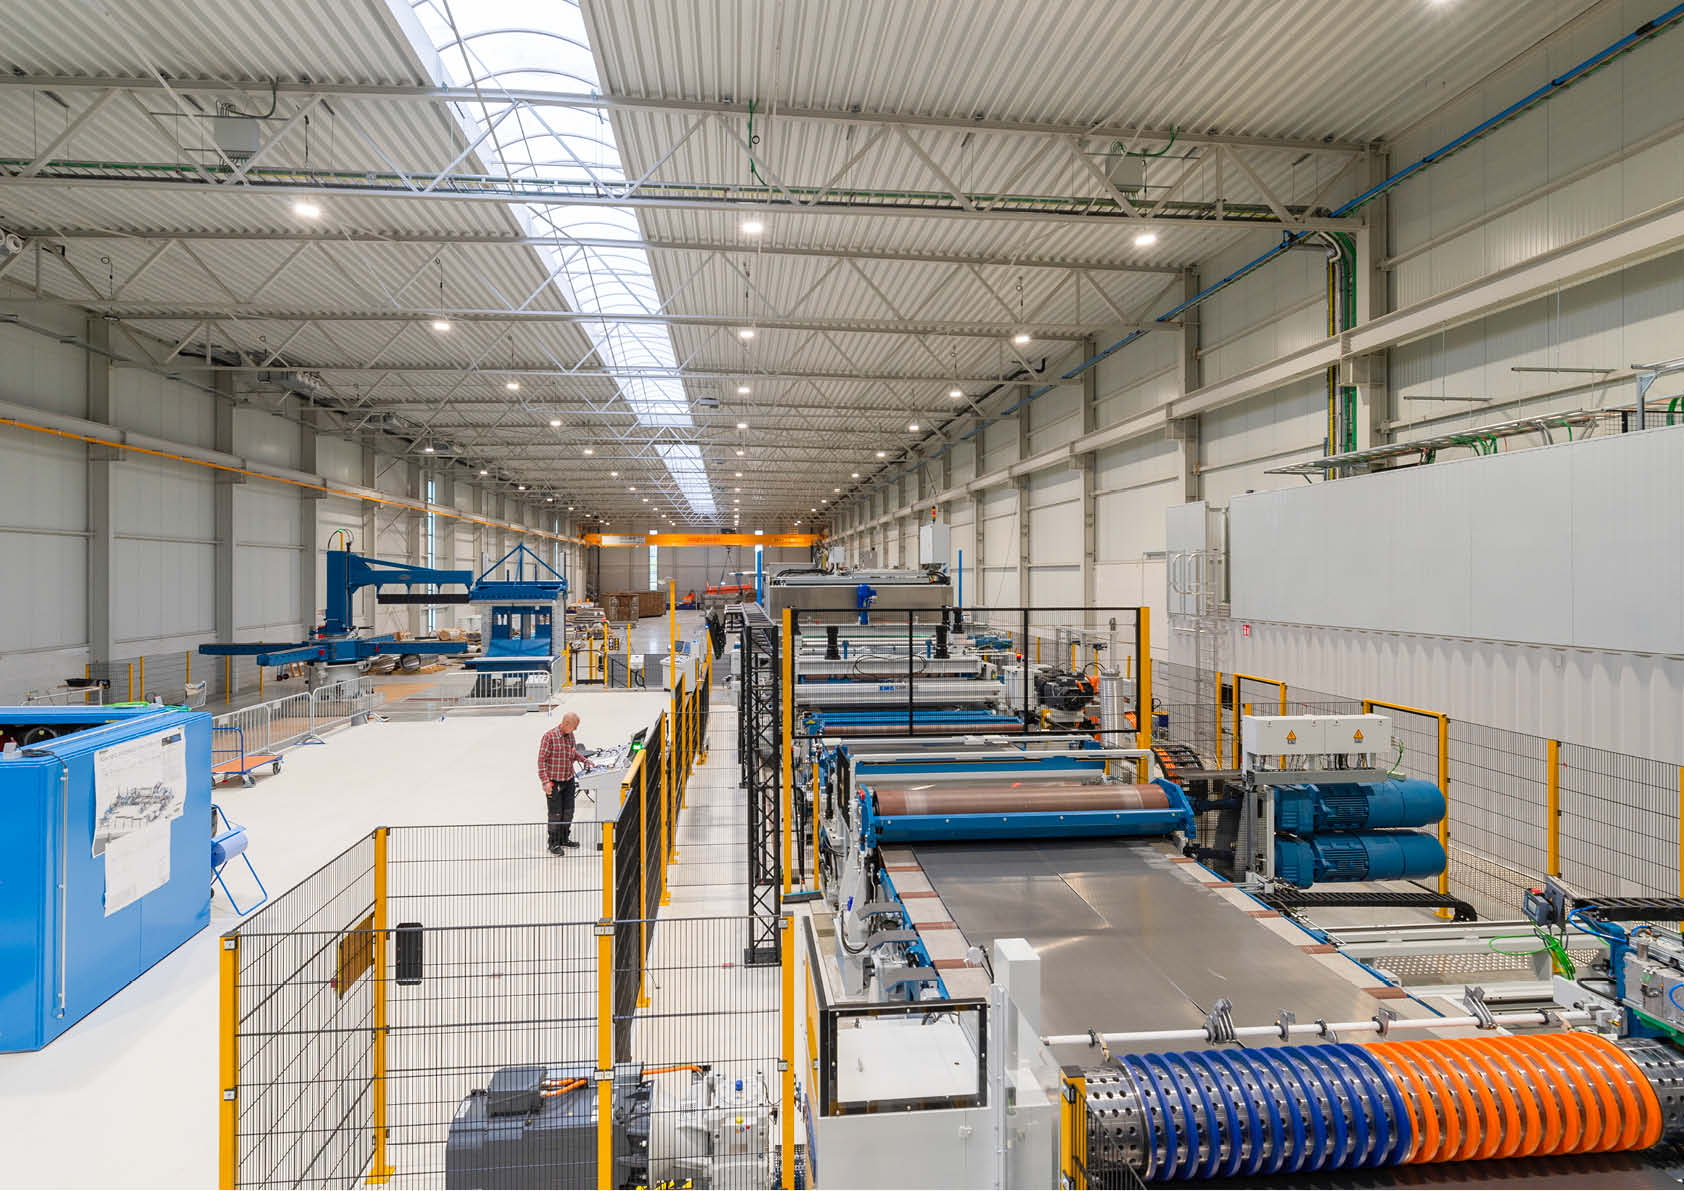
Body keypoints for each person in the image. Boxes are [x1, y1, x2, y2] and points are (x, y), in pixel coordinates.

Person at [537, 711, 592, 852]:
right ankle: (553, 843)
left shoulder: (570, 735)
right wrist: (545, 781)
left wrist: (584, 760)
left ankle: (564, 838)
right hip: (554, 782)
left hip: (568, 779)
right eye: (574, 726)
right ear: (566, 723)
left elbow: (572, 752)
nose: (576, 729)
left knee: (568, 811)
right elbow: (541, 760)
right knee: (555, 814)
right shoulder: (549, 737)